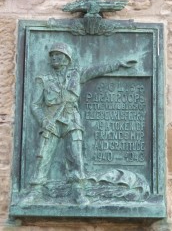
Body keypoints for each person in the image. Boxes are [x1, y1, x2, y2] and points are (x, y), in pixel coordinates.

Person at [30, 42, 135, 204]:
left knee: (75, 155)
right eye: (52, 55)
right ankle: (35, 191)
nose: (54, 58)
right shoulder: (42, 80)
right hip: (51, 121)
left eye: (58, 55)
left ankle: (78, 191)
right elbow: (35, 105)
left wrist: (117, 64)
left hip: (72, 119)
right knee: (43, 155)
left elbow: (95, 70)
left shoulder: (76, 74)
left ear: (67, 58)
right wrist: (43, 121)